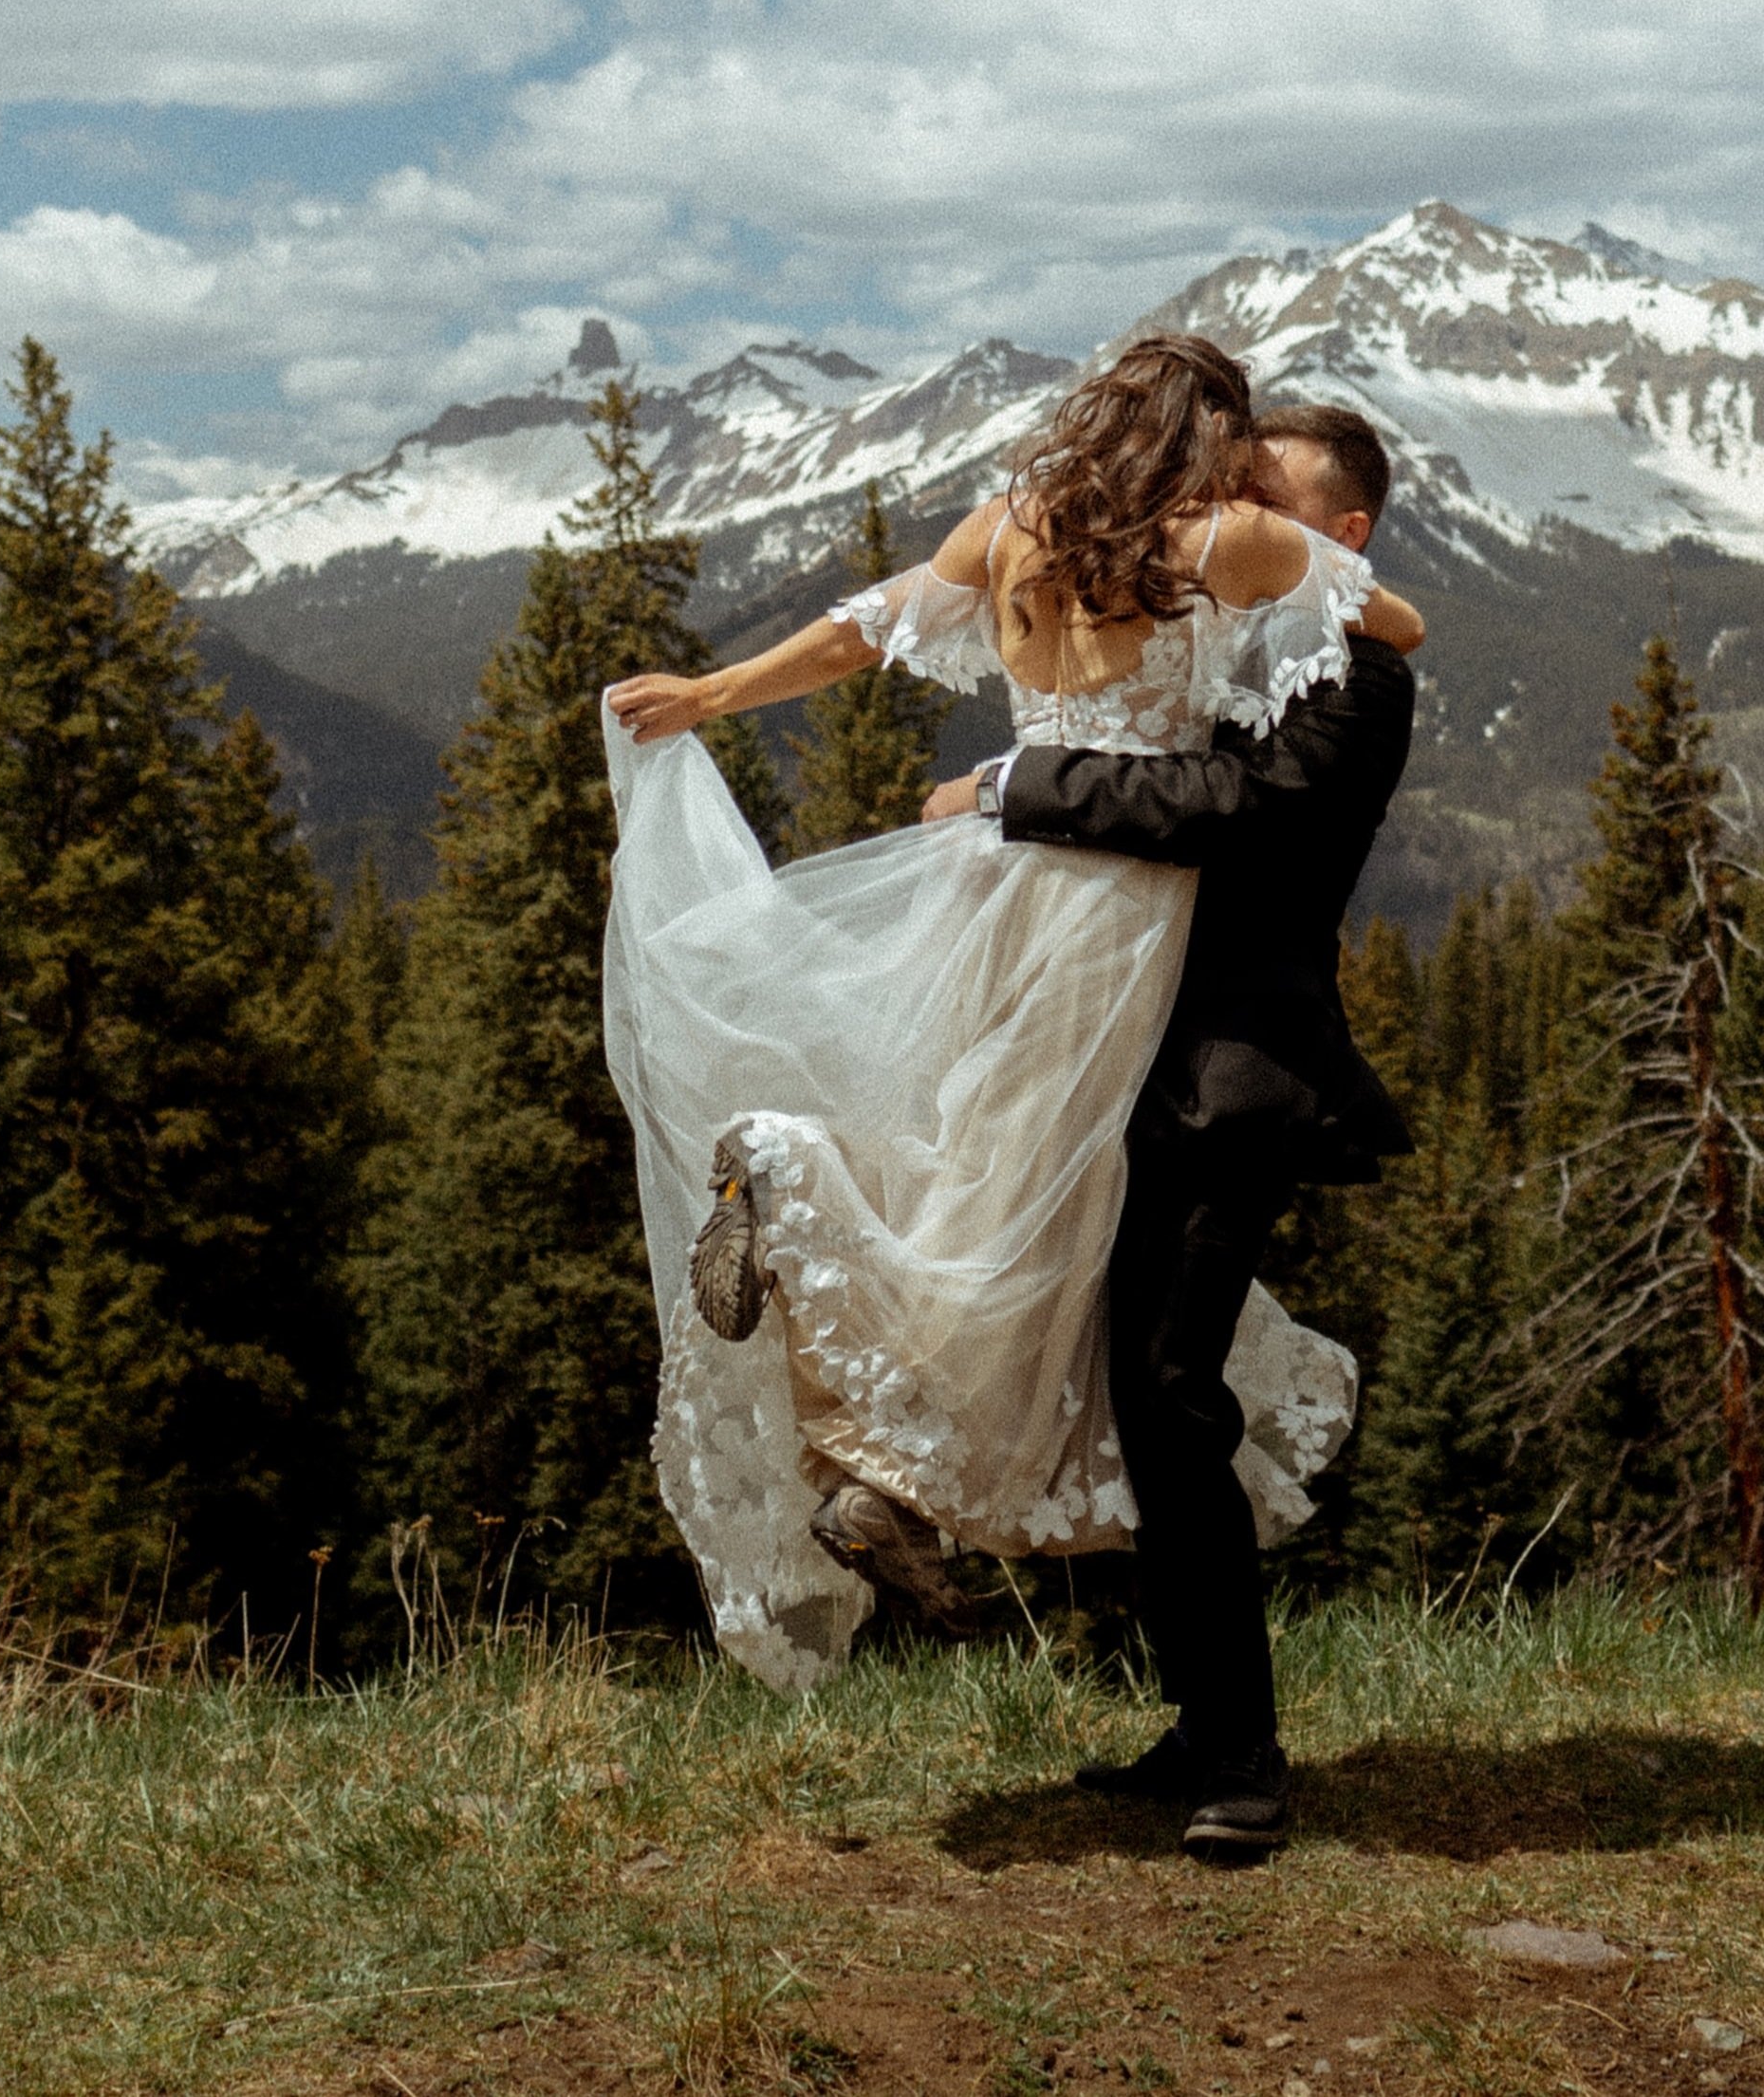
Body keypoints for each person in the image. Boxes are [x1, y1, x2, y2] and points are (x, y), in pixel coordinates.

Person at [601, 337, 1424, 1698]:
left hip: (985, 895)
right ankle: (803, 1214)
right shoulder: (1225, 543)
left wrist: (711, 695)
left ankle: (861, 1388)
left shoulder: (1015, 525)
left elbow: (865, 626)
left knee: (971, 1156)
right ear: (1207, 441)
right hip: (1114, 918)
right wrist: (1303, 572)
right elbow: (1396, 627)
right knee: (1032, 1211)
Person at [922, 401, 1414, 1859]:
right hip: (1109, 1051)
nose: (1228, 522)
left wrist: (1016, 784)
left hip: (1231, 1072)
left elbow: (1239, 809)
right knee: (1124, 1378)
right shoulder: (1215, 641)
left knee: (1169, 1382)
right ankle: (1202, 1721)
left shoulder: (1362, 676)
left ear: (1346, 534)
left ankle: (1244, 1760)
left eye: (1268, 498)